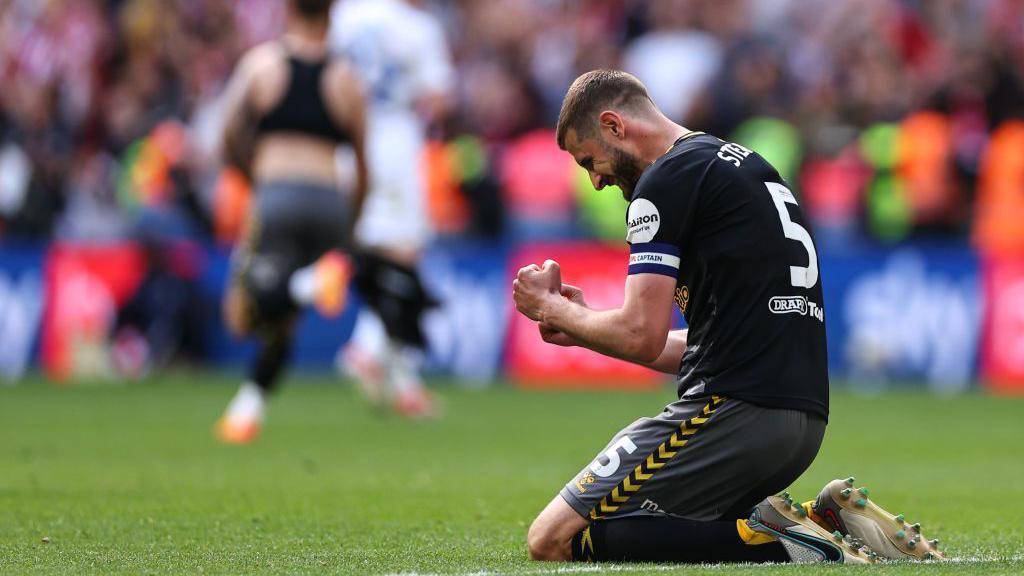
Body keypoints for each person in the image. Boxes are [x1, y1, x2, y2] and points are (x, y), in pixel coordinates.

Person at [513, 70, 945, 564]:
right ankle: (822, 517)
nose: (595, 180)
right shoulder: (744, 166)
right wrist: (583, 325)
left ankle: (789, 543)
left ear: (614, 125)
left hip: (733, 414)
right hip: (798, 423)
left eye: (590, 160)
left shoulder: (664, 182)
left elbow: (640, 333)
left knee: (553, 539)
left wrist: (550, 306)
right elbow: (703, 344)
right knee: (672, 525)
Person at [215, 0, 369, 444]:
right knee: (285, 319)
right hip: (328, 201)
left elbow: (226, 133)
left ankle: (306, 284)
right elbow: (363, 167)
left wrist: (255, 176)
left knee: (242, 315)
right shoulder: (345, 78)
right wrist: (349, 232)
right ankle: (248, 408)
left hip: (277, 194)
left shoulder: (262, 65)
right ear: (330, 15)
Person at [328, 0, 454, 418]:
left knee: (372, 261)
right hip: (396, 141)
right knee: (403, 258)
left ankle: (404, 385)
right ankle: (366, 347)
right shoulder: (417, 26)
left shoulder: (343, 16)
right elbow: (436, 98)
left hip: (349, 143)